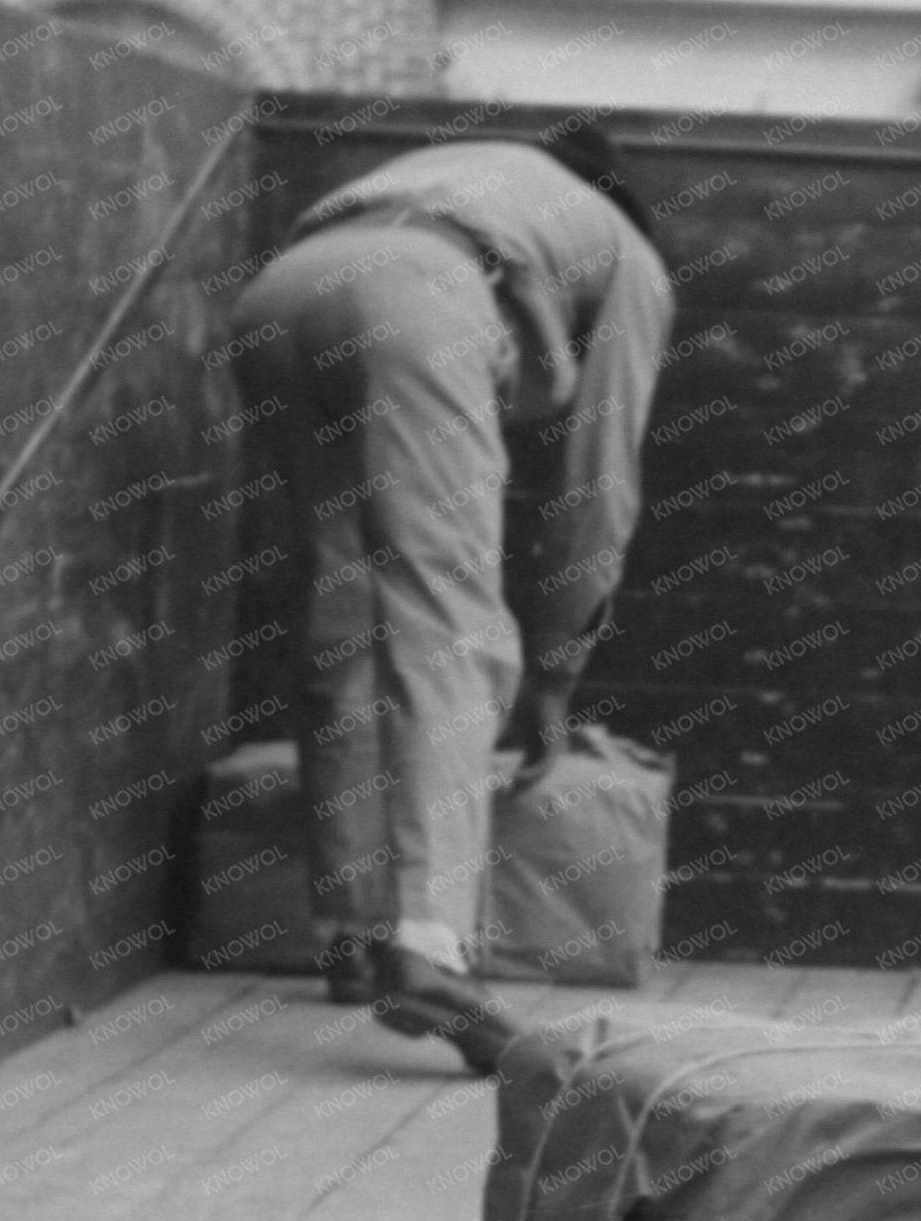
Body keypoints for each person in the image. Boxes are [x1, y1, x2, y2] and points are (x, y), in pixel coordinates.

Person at [223, 126, 673, 1069]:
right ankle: (429, 945)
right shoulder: (630, 256)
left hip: (279, 293)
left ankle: (349, 928)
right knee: (453, 630)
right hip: (416, 296)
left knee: (341, 609)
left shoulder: (473, 177)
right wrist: (554, 676)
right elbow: (598, 492)